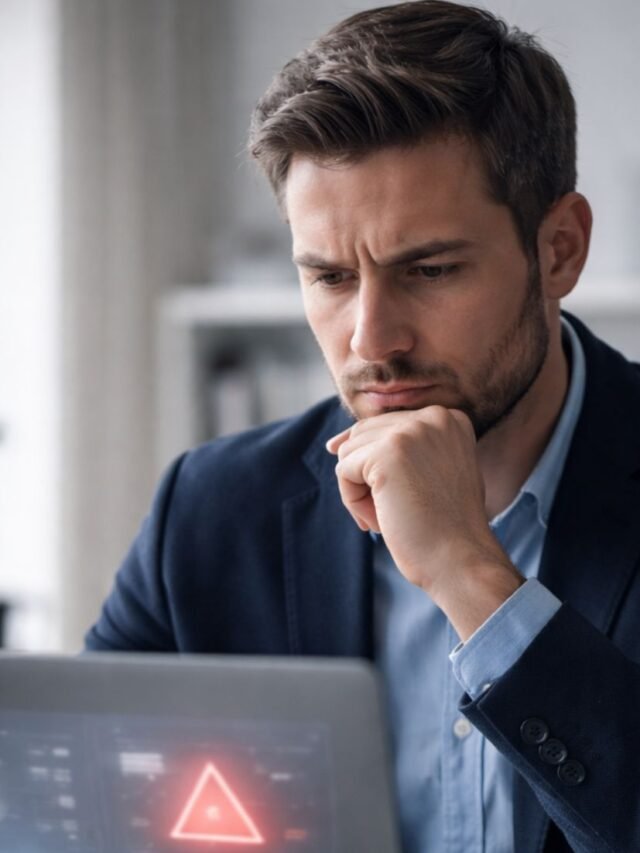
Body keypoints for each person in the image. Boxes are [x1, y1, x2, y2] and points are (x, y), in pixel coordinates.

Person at [85, 2, 640, 851]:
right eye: (332, 277)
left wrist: (469, 572)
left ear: (559, 248)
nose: (372, 338)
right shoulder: (209, 513)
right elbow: (81, 810)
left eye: (431, 269)